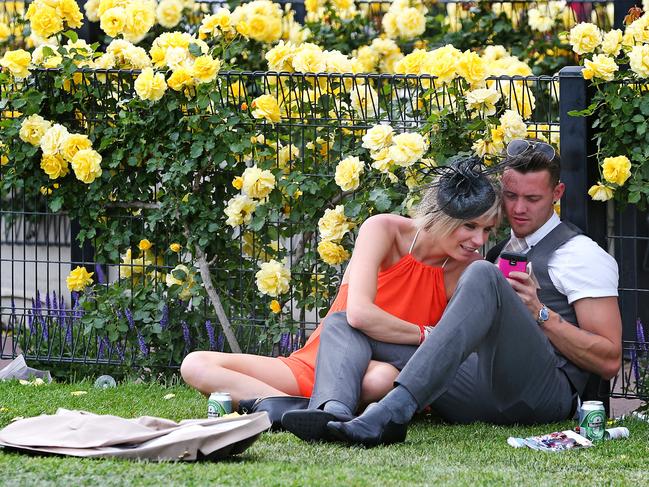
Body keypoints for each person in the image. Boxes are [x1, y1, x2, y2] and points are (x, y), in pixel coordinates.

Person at [283, 139, 622, 447]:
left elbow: (609, 361)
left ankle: (392, 411)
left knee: (482, 272)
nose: (519, 208)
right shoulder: (499, 247)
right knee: (344, 322)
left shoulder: (580, 254)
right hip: (478, 386)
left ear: (557, 193)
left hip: (542, 396)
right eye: (510, 196)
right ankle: (332, 413)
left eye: (532, 198)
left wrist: (541, 314)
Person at [180, 156, 502, 420]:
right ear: (442, 216)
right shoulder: (384, 230)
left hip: (374, 375)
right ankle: (299, 409)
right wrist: (427, 335)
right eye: (469, 226)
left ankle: (300, 410)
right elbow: (359, 315)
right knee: (195, 363)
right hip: (316, 363)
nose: (479, 240)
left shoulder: (468, 271)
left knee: (381, 379)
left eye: (487, 229)